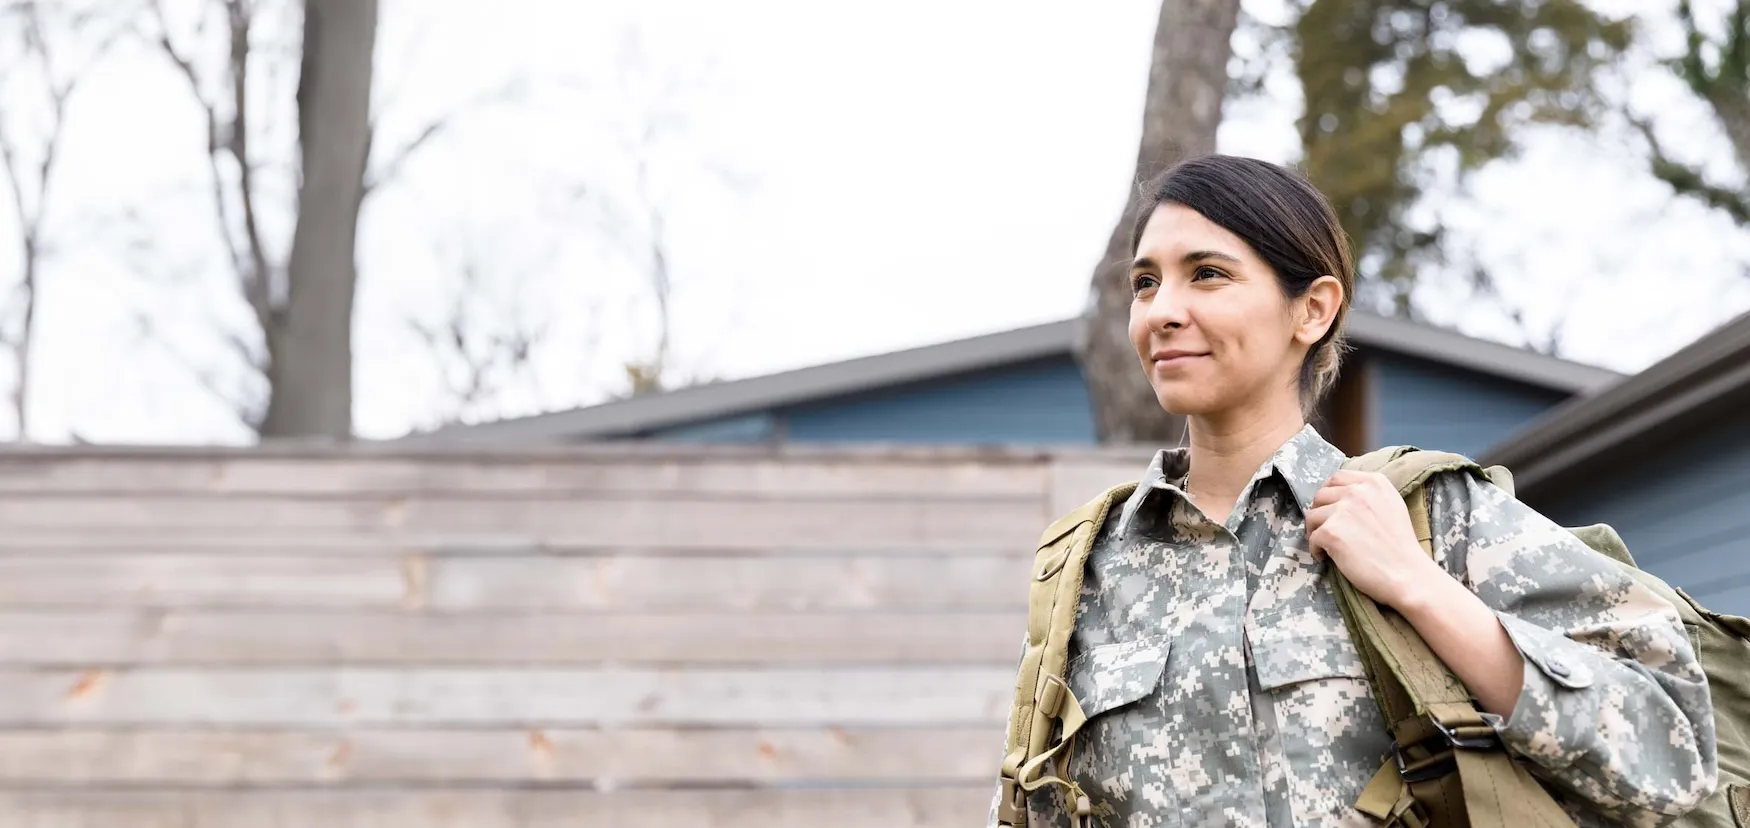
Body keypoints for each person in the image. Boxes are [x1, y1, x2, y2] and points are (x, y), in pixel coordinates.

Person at [988, 155, 1717, 828]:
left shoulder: (1432, 516)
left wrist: (1419, 588)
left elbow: (1672, 751)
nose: (1161, 311)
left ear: (1313, 309)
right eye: (1145, 282)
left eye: (1207, 273)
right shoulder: (1087, 565)